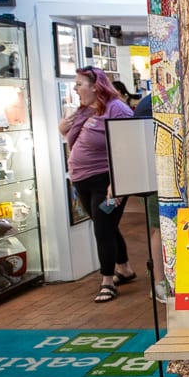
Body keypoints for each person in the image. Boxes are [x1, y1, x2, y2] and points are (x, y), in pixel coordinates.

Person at [60, 66, 136, 303]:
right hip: (82, 179)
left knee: (102, 228)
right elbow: (73, 140)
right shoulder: (83, 111)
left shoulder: (117, 109)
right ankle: (124, 268)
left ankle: (107, 279)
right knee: (106, 224)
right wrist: (63, 130)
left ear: (96, 86)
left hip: (105, 180)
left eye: (79, 83)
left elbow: (129, 147)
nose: (75, 88)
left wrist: (118, 182)